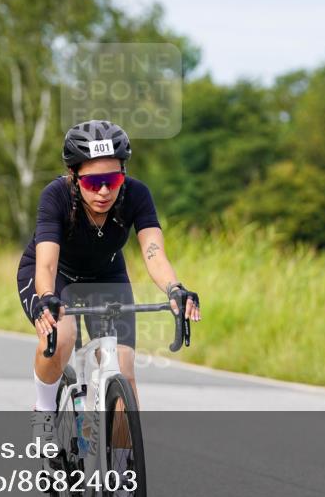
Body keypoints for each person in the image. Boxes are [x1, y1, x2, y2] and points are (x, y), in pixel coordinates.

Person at [16, 120, 200, 446]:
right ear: (74, 176)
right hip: (56, 276)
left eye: (113, 180)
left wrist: (175, 288)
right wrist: (46, 296)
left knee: (123, 369)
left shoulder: (137, 195)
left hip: (106, 275)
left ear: (123, 175)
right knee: (64, 335)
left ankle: (120, 476)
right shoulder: (56, 196)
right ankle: (44, 413)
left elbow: (154, 252)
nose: (104, 191)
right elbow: (46, 262)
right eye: (93, 182)